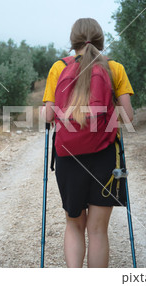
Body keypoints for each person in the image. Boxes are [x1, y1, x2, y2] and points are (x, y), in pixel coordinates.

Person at [42, 18, 134, 268]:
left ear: (72, 43)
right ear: (101, 41)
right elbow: (127, 116)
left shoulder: (58, 68)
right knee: (97, 230)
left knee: (74, 224)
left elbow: (49, 117)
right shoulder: (114, 68)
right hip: (105, 156)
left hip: (67, 155)